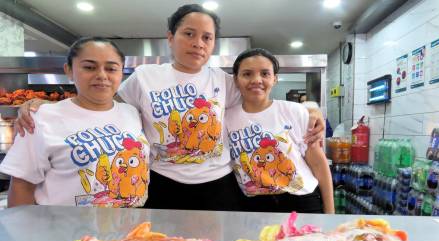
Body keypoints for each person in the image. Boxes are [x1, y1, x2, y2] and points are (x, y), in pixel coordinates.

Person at [13, 4, 325, 211]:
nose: (198, 43)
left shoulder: (223, 80)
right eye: (189, 34)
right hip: (162, 182)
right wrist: (45, 104)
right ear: (171, 37)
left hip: (218, 183)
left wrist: (310, 108)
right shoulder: (145, 77)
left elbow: (260, 99)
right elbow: (102, 106)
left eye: (207, 37)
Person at [0, 37, 150, 208]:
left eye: (111, 68)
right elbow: (22, 186)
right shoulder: (41, 119)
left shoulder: (130, 112)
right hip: (66, 231)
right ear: (69, 70)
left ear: (121, 72)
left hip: (130, 228)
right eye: (89, 67)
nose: (101, 75)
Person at [226, 48, 334, 213]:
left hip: (301, 202)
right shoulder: (226, 118)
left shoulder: (294, 111)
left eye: (265, 73)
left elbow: (319, 164)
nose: (256, 80)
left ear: (274, 79)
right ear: (236, 79)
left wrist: (330, 213)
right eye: (247, 74)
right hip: (252, 206)